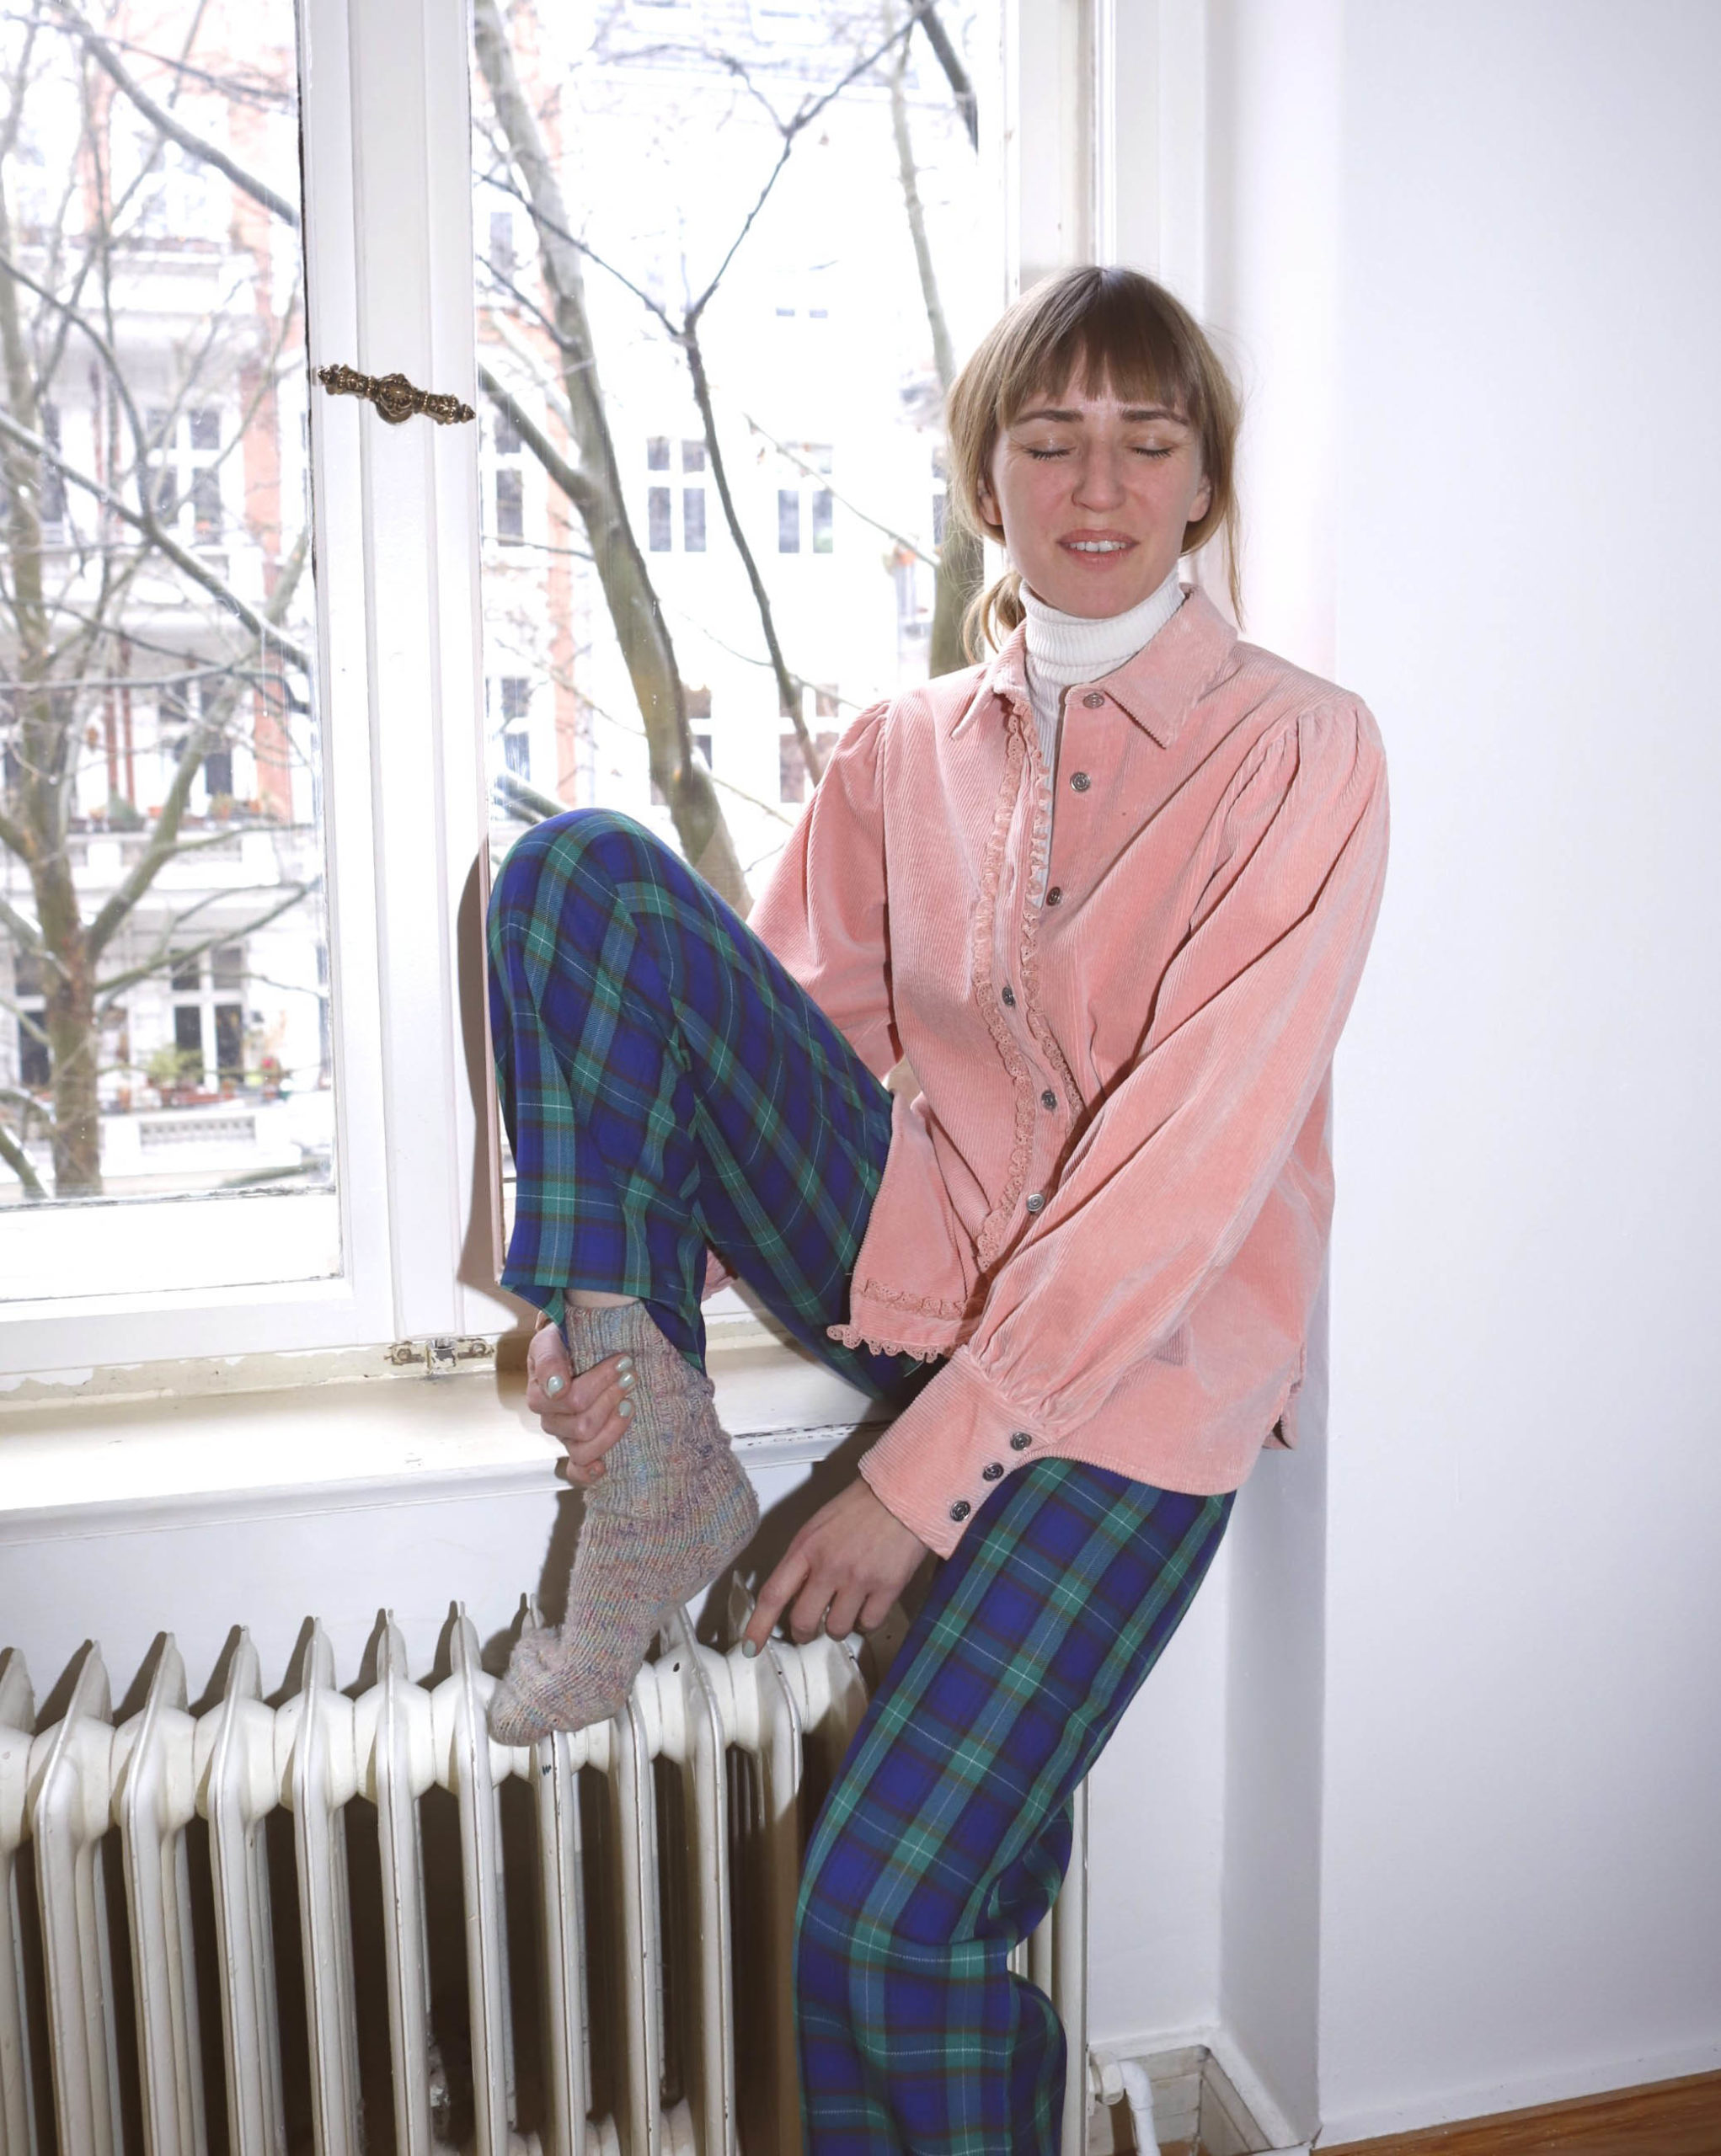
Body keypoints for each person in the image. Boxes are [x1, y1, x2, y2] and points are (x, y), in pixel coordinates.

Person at [484, 264, 1389, 2152]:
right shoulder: (901, 751)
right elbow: (758, 1052)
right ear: (986, 482)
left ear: (1204, 482)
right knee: (575, 875)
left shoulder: (1301, 751)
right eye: (1048, 440)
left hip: (1140, 1380)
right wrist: (612, 1315)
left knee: (885, 1923)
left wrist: (918, 1480)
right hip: (920, 1276)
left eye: (1147, 440)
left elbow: (1192, 1163)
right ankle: (646, 1453)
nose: (1097, 482)